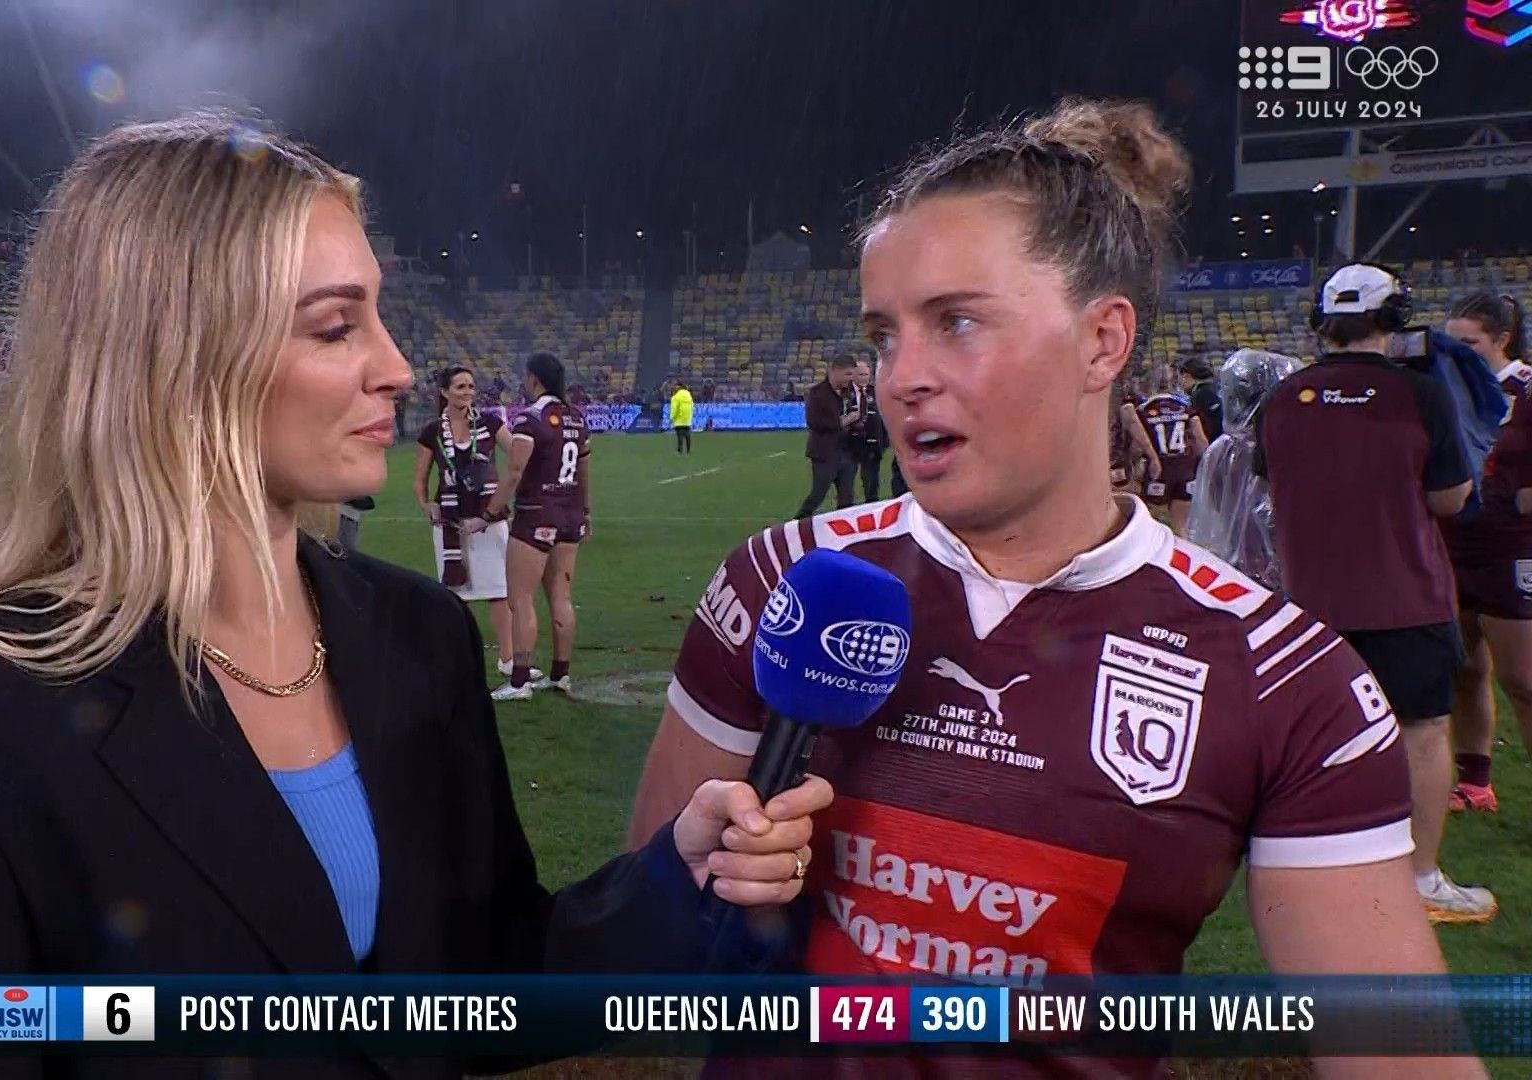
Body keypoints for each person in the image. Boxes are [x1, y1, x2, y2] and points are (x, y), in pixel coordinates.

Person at [0, 118, 830, 1051]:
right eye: (337, 327)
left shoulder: (420, 636)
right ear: (180, 357)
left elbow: (483, 982)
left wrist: (676, 875)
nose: (397, 366)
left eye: (378, 316)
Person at [629, 98, 1472, 1078]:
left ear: (1103, 341)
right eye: (884, 335)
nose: (900, 378)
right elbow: (640, 946)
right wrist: (720, 893)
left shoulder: (1285, 678)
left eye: (956, 322)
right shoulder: (782, 583)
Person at [1255, 262, 1492, 924]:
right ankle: (1420, 879)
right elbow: (1450, 498)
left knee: (1319, 741)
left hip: (1310, 603)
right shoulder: (1420, 395)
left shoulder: (1284, 397)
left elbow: (1271, 486)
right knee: (1422, 730)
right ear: (1394, 319)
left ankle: (1318, 876)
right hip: (1403, 595)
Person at [1441, 291, 1530, 815]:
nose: (1457, 352)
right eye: (1450, 342)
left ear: (1502, 339)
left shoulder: (1528, 390)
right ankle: (1475, 781)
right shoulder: (1442, 390)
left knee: (1522, 680)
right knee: (1464, 668)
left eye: (1469, 342)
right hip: (1451, 545)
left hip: (1513, 549)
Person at [486, 352, 588, 702]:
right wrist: (584, 510)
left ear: (533, 378)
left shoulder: (529, 418)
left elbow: (515, 471)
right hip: (570, 515)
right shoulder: (576, 417)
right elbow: (583, 471)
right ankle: (560, 674)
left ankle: (519, 682)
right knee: (561, 596)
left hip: (536, 514)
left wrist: (492, 509)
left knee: (521, 598)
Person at [413, 364, 526, 679]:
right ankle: (458, 662)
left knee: (499, 591)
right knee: (455, 595)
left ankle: (507, 659)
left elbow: (518, 456)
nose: (467, 392)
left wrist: (503, 497)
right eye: (460, 387)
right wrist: (426, 505)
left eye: (471, 386)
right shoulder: (432, 431)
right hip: (451, 523)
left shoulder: (490, 423)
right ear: (444, 392)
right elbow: (419, 480)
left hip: (489, 519)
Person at [1183, 348, 1297, 591]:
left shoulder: (1221, 450)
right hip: (1286, 571)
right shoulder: (1286, 446)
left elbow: (1213, 511)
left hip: (1238, 570)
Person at [1129, 373, 1206, 534]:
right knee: (1182, 525)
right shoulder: (1185, 406)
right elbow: (1199, 438)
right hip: (1185, 467)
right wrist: (1204, 465)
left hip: (1159, 467)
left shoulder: (1143, 409)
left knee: (1156, 522)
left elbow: (1136, 446)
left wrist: (1137, 467)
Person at [793, 359, 859, 518]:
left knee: (847, 498)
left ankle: (843, 529)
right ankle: (797, 523)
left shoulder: (849, 392)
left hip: (847, 453)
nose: (850, 378)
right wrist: (843, 422)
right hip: (824, 453)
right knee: (818, 494)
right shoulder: (817, 393)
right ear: (834, 371)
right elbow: (814, 422)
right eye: (847, 374)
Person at [845, 355, 889, 501]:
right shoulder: (843, 393)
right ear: (852, 375)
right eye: (860, 374)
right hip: (848, 445)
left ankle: (871, 505)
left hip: (872, 444)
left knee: (871, 483)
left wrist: (883, 442)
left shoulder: (876, 392)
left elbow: (885, 418)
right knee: (845, 483)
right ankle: (846, 508)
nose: (864, 378)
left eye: (866, 374)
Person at [1181, 355, 1223, 442]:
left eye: (1182, 377)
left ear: (1187, 376)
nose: (1181, 382)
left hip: (1212, 443)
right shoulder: (1214, 388)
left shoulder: (1201, 394)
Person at [669, 378, 695, 454]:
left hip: (679, 419)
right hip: (687, 418)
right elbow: (692, 405)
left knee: (680, 435)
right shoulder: (688, 395)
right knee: (687, 434)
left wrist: (671, 418)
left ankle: (680, 450)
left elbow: (674, 409)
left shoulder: (675, 397)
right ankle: (688, 450)